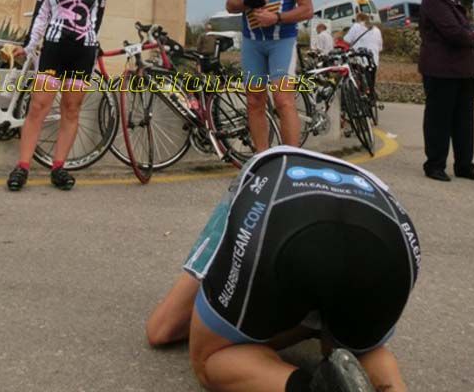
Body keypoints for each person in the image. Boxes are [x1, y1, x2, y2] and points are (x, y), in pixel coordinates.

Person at [146, 146, 420, 392]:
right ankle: (391, 386)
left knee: (210, 358)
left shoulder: (249, 178)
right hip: (392, 233)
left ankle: (314, 388)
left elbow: (163, 329)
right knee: (360, 349)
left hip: (278, 213)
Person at [6, 0, 106, 191]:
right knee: (38, 106)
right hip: (54, 48)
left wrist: (93, 45)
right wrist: (27, 47)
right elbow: (41, 15)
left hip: (82, 52)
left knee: (71, 109)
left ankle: (59, 167)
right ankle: (23, 167)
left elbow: (97, 18)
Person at [226, 0, 314, 149]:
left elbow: (307, 9)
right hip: (252, 43)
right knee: (255, 101)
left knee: (283, 100)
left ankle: (291, 159)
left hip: (281, 43)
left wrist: (277, 18)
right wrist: (247, 3)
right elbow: (230, 5)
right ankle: (262, 158)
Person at [418, 0, 474, 182]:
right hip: (441, 69)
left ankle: (464, 165)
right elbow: (453, 32)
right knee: (439, 119)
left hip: (461, 69)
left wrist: (472, 33)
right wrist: (473, 36)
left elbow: (463, 25)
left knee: (463, 120)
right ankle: (435, 164)